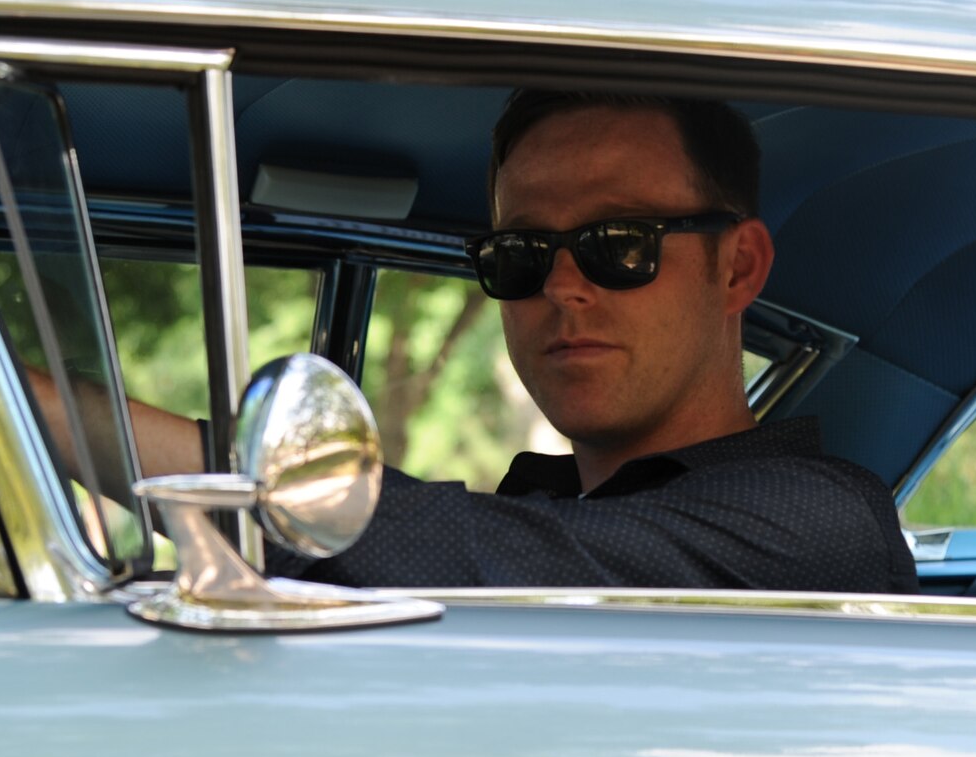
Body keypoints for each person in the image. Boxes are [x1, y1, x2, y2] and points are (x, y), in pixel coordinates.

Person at [72, 90, 916, 594]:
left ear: (738, 269)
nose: (560, 285)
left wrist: (35, 406)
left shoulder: (816, 525)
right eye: (518, 253)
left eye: (620, 244)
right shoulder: (548, 510)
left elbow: (439, 548)